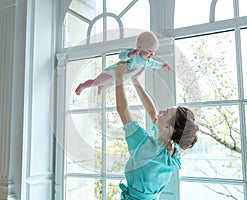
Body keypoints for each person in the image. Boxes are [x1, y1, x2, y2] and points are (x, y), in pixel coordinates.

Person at [115, 62, 199, 200]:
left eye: (165, 112)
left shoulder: (147, 148)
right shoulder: (171, 150)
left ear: (168, 127)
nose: (159, 111)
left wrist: (119, 77)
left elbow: (122, 111)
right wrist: (135, 81)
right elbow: (152, 112)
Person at [75, 31, 171, 95]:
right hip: (113, 73)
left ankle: (101, 87)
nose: (152, 54)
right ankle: (82, 86)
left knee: (107, 85)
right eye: (150, 51)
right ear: (140, 47)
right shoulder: (134, 54)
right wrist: (130, 54)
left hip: (119, 78)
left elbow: (154, 64)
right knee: (97, 82)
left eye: (153, 52)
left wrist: (162, 66)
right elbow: (121, 56)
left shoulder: (147, 61)